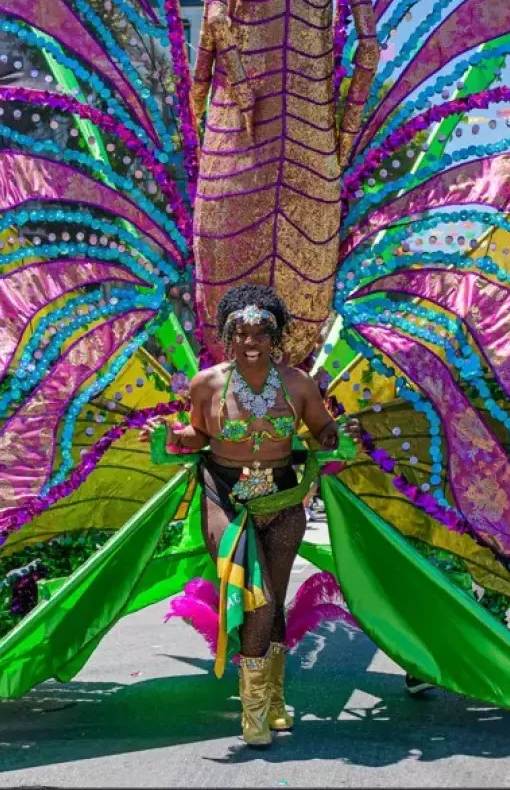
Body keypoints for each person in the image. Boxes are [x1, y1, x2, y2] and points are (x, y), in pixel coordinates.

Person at [152, 285, 341, 747]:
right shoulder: (208, 384)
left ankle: (273, 700)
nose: (251, 341)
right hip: (225, 500)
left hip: (282, 499)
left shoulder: (297, 383)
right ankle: (253, 714)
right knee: (253, 594)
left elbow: (321, 430)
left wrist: (336, 432)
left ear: (275, 336)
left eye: (262, 331)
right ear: (227, 336)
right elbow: (198, 435)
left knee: (273, 597)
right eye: (241, 332)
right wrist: (174, 435)